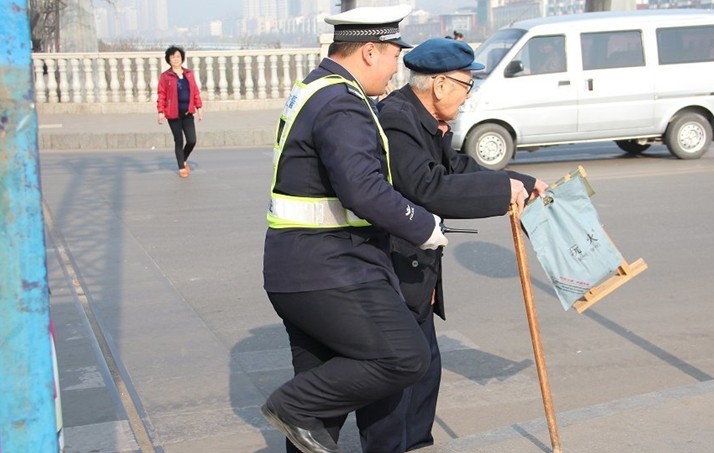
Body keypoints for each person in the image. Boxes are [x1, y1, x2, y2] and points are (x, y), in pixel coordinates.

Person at [260, 6, 449, 453]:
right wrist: (424, 225)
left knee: (317, 422)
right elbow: (362, 189)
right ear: (368, 51)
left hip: (298, 270)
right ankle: (289, 404)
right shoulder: (342, 103)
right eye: (392, 56)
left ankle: (299, 409)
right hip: (331, 269)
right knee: (405, 355)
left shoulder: (315, 87)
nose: (395, 69)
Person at [354, 37, 549, 452]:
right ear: (440, 85)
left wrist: (523, 184)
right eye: (466, 85)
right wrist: (503, 192)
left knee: (425, 373)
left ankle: (418, 444)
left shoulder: (425, 119)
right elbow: (427, 186)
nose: (467, 95)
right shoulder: (398, 119)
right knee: (397, 383)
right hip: (390, 274)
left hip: (416, 278)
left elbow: (458, 167)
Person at [156, 45, 203, 178]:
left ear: (182, 58)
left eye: (178, 56)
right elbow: (161, 94)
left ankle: (183, 158)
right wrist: (160, 111)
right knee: (178, 140)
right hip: (173, 114)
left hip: (188, 113)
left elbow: (195, 92)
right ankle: (181, 167)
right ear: (168, 60)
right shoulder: (166, 76)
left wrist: (199, 108)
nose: (175, 59)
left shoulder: (189, 74)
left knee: (192, 140)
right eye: (172, 57)